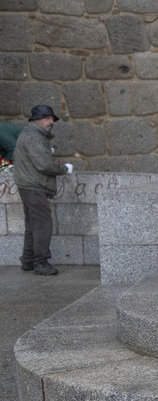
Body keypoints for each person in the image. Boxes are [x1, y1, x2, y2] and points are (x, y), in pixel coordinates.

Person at [12, 105, 73, 276]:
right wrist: (63, 168)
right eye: (47, 118)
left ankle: (28, 260)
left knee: (32, 225)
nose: (51, 121)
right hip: (34, 186)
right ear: (36, 120)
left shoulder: (29, 134)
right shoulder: (34, 137)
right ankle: (41, 263)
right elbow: (44, 164)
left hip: (27, 185)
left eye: (52, 119)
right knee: (43, 224)